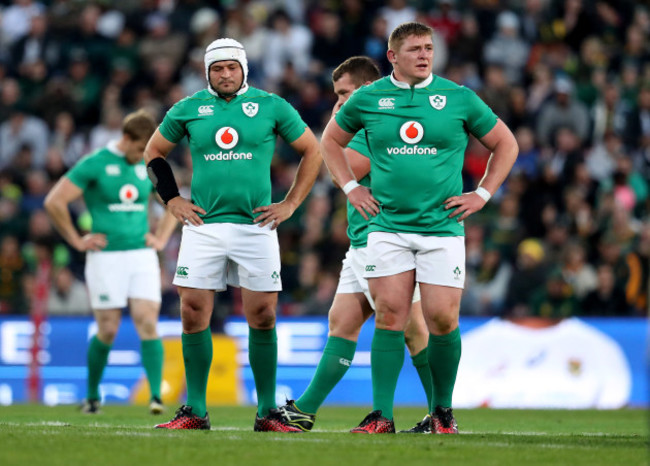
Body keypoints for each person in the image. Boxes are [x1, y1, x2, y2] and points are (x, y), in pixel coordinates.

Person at [320, 22, 518, 434]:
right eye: (414, 49)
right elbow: (330, 142)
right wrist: (352, 187)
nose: (424, 55)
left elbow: (506, 143)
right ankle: (382, 416)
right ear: (393, 56)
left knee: (443, 320)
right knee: (390, 316)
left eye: (428, 48)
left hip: (441, 227)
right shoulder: (369, 98)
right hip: (387, 227)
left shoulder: (458, 97)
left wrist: (482, 194)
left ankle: (442, 414)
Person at [145, 38, 321, 431]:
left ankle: (266, 412)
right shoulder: (188, 108)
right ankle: (194, 409)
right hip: (203, 226)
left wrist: (290, 204)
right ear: (207, 72)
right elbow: (153, 152)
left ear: (244, 69)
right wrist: (172, 199)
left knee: (263, 315)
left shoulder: (272, 105)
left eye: (232, 67)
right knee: (192, 313)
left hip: (256, 225)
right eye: (217, 68)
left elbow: (313, 150)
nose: (225, 74)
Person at [278, 56, 433, 434]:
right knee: (343, 322)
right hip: (362, 240)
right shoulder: (362, 123)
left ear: (366, 90)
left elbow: (342, 170)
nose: (339, 102)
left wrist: (333, 124)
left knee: (411, 329)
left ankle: (435, 415)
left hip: (386, 239)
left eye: (345, 93)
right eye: (336, 95)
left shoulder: (373, 127)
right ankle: (303, 411)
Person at [44, 109, 178, 415]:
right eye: (139, 147)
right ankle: (92, 396)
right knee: (108, 328)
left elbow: (174, 203)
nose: (143, 154)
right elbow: (54, 201)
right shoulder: (95, 163)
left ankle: (156, 396)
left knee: (147, 320)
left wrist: (160, 239)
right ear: (127, 138)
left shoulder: (148, 164)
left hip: (141, 255)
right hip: (105, 258)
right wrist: (77, 240)